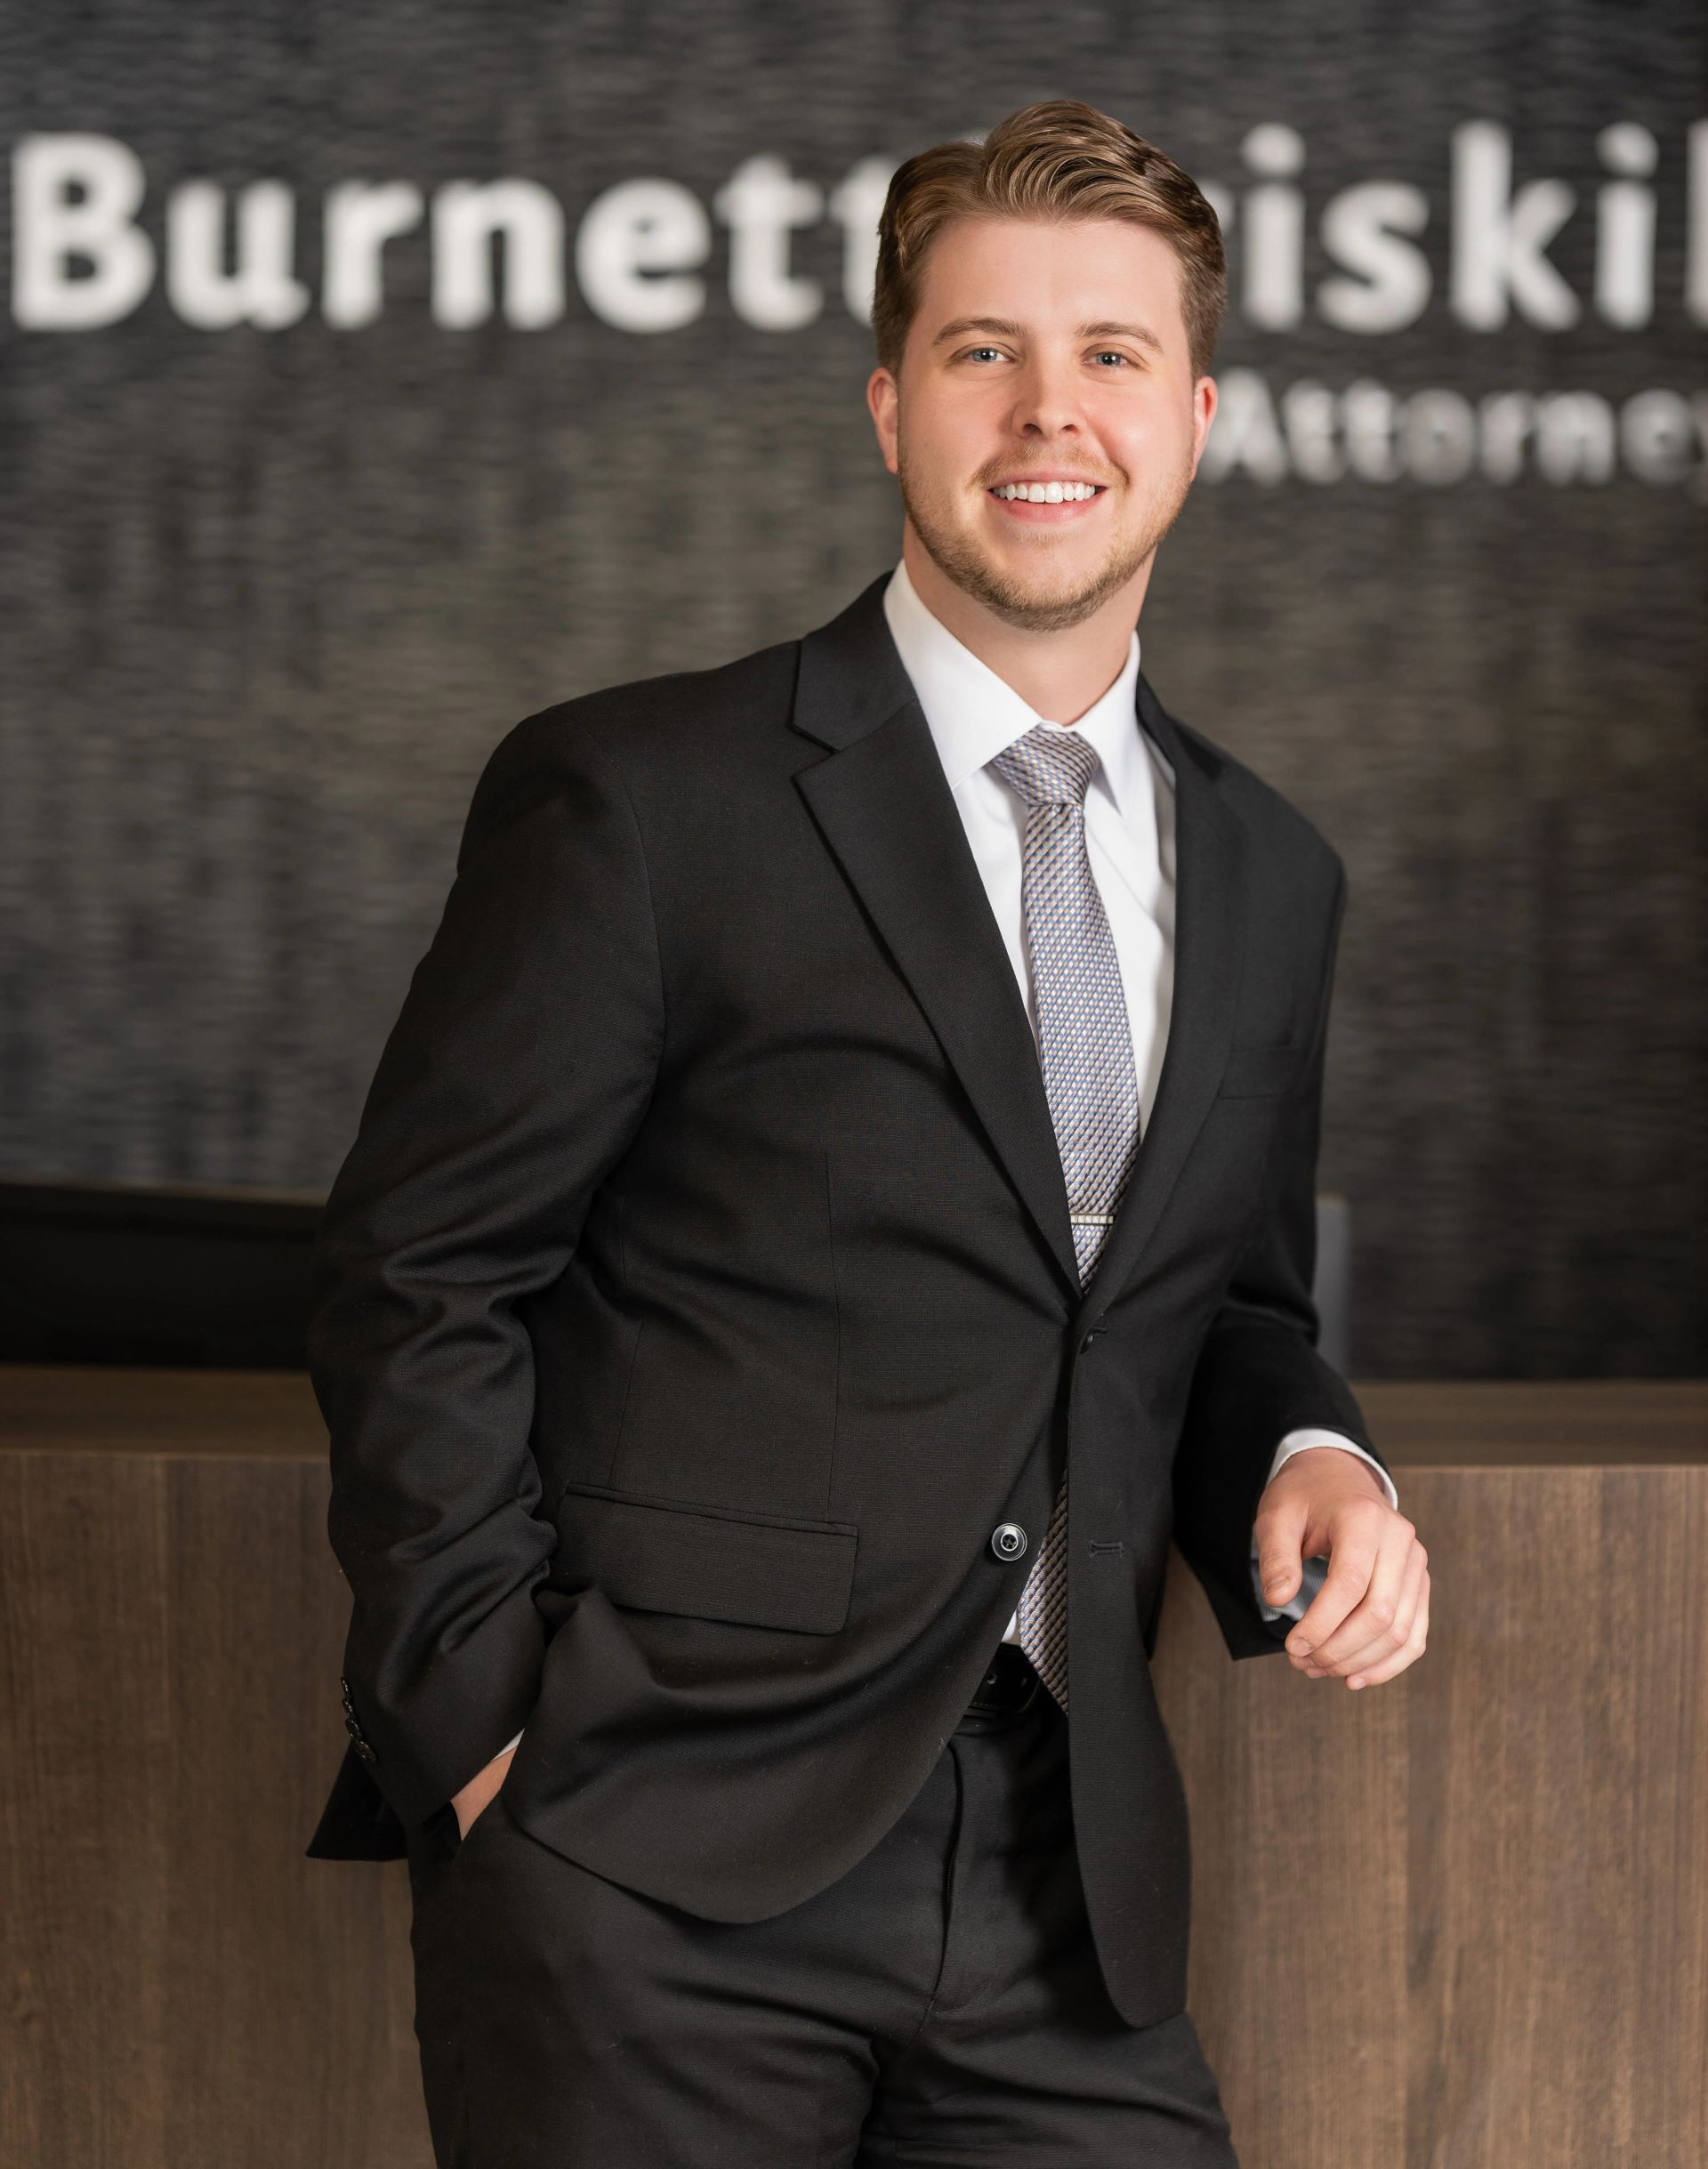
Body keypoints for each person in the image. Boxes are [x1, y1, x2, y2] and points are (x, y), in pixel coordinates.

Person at [305, 95, 1430, 2168]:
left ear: (1194, 416)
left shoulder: (1274, 874)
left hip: (1066, 1887)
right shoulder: (643, 798)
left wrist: (1313, 1448)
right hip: (655, 1852)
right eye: (985, 349)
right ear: (889, 403)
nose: (1047, 411)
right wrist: (486, 1748)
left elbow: (1209, 1303)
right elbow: (419, 1271)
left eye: (1108, 356)